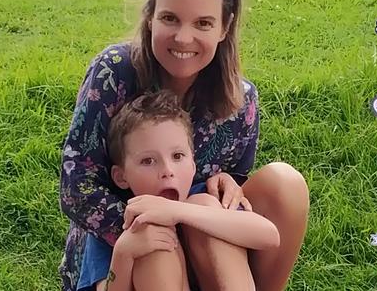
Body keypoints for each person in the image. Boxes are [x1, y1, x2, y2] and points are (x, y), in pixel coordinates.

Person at [59, 0, 310, 291]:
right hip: (133, 241)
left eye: (203, 23)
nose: (183, 38)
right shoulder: (114, 71)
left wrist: (221, 187)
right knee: (161, 242)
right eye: (170, 18)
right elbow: (78, 184)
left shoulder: (241, 99)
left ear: (225, 27)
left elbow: (234, 182)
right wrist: (153, 227)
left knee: (285, 183)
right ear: (150, 17)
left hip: (205, 231)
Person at [97, 89, 279, 290]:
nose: (167, 171)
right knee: (148, 233)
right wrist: (122, 254)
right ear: (121, 177)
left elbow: (270, 236)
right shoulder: (116, 218)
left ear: (193, 165)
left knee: (206, 207)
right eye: (148, 161)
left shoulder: (206, 196)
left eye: (177, 156)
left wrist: (178, 212)